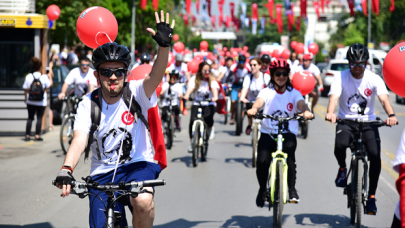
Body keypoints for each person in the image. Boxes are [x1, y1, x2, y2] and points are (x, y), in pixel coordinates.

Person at [53, 11, 174, 228]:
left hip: (137, 165)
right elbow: (79, 139)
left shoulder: (137, 92)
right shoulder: (88, 103)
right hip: (102, 173)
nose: (112, 77)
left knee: (143, 200)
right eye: (106, 72)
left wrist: (163, 47)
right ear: (96, 75)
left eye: (118, 71)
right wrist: (67, 169)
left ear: (126, 74)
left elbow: (156, 75)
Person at [325, 43, 398, 215]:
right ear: (348, 63)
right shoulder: (340, 77)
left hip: (368, 122)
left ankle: (371, 196)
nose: (357, 68)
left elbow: (384, 100)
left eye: (361, 64)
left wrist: (392, 114)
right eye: (353, 64)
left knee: (374, 154)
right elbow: (334, 98)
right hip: (346, 121)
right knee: (340, 144)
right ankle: (342, 168)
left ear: (366, 63)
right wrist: (330, 113)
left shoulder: (374, 78)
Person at [247, 59, 313, 207]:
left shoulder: (294, 93)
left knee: (289, 155)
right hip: (268, 132)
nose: (281, 77)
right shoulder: (266, 91)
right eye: (278, 74)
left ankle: (291, 189)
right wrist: (254, 109)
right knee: (262, 162)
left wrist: (306, 111)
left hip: (287, 132)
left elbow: (301, 103)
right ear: (272, 75)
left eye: (284, 73)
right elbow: (259, 101)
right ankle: (262, 190)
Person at [184, 62, 219, 151]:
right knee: (192, 121)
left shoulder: (212, 79)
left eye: (208, 70)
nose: (207, 72)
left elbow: (215, 91)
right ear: (200, 70)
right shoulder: (194, 79)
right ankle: (192, 143)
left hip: (209, 103)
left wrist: (215, 97)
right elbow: (190, 89)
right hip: (197, 103)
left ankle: (210, 128)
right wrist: (187, 95)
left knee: (208, 118)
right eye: (205, 70)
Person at [22, 57, 52, 141]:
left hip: (30, 101)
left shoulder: (28, 76)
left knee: (30, 118)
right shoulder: (44, 77)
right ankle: (37, 136)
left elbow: (25, 88)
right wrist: (50, 75)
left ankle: (27, 136)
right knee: (39, 118)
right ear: (40, 68)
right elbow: (50, 85)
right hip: (41, 101)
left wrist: (25, 99)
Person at [240, 58, 270, 135]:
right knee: (249, 107)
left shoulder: (265, 77)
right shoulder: (248, 77)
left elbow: (270, 90)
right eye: (251, 65)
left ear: (260, 66)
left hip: (262, 103)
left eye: (254, 65)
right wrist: (242, 97)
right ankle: (250, 125)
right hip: (251, 102)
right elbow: (245, 88)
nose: (252, 67)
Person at [228, 54, 250, 125]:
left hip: (245, 86)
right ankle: (232, 116)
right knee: (233, 101)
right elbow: (229, 76)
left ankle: (246, 113)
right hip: (235, 85)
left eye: (243, 63)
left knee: (247, 101)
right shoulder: (234, 67)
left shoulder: (248, 68)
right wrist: (226, 83)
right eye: (240, 63)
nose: (241, 64)